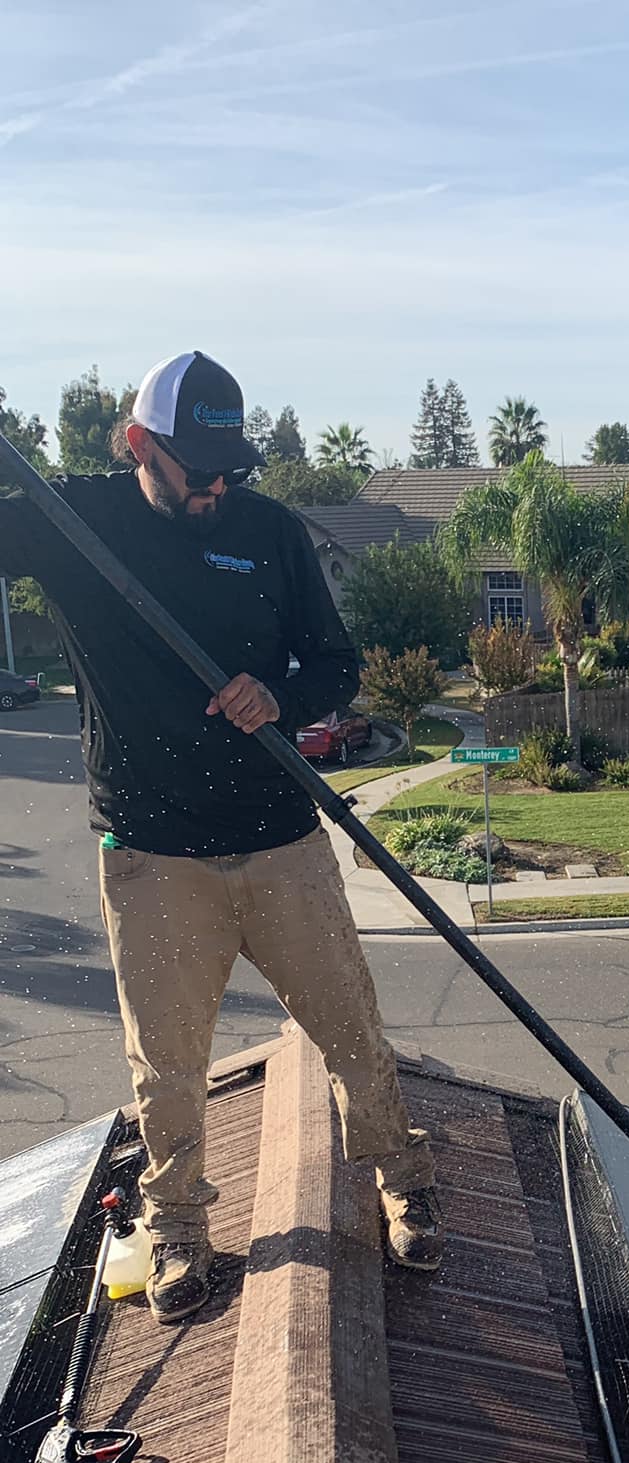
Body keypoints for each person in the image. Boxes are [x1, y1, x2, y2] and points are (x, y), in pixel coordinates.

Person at [0, 349, 444, 1321]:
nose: (213, 488)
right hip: (154, 853)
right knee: (164, 1069)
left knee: (352, 1030)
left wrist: (281, 692)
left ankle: (402, 1179)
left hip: (282, 840)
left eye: (228, 468)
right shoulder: (75, 521)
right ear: (136, 446)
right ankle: (181, 1232)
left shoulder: (272, 530)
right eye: (192, 467)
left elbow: (338, 664)